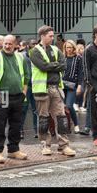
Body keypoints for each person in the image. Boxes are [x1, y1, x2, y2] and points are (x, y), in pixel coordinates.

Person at [30, 25, 75, 156]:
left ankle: (64, 146)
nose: (52, 38)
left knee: (61, 117)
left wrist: (51, 66)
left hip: (56, 87)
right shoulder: (35, 51)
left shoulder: (55, 49)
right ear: (42, 36)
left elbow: (64, 64)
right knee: (43, 118)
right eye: (50, 36)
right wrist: (56, 66)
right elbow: (43, 66)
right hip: (42, 89)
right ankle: (45, 145)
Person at [0, 35, 30, 164]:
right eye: (5, 43)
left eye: (10, 44)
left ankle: (13, 150)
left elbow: (27, 75)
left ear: (15, 44)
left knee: (16, 125)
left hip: (18, 95)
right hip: (2, 96)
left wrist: (24, 91)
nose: (7, 46)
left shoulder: (19, 57)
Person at [62, 40, 83, 134]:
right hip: (62, 85)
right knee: (62, 107)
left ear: (74, 48)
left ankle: (76, 125)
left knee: (70, 105)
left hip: (72, 85)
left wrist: (79, 86)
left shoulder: (78, 58)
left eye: (70, 47)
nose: (69, 49)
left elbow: (80, 73)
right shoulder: (63, 58)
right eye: (67, 47)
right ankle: (66, 126)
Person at [20, 39, 38, 139]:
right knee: (23, 109)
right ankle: (21, 130)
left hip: (36, 87)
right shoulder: (22, 55)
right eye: (33, 44)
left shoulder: (39, 54)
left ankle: (36, 131)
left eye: (36, 43)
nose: (35, 45)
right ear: (28, 45)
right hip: (26, 87)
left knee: (36, 110)